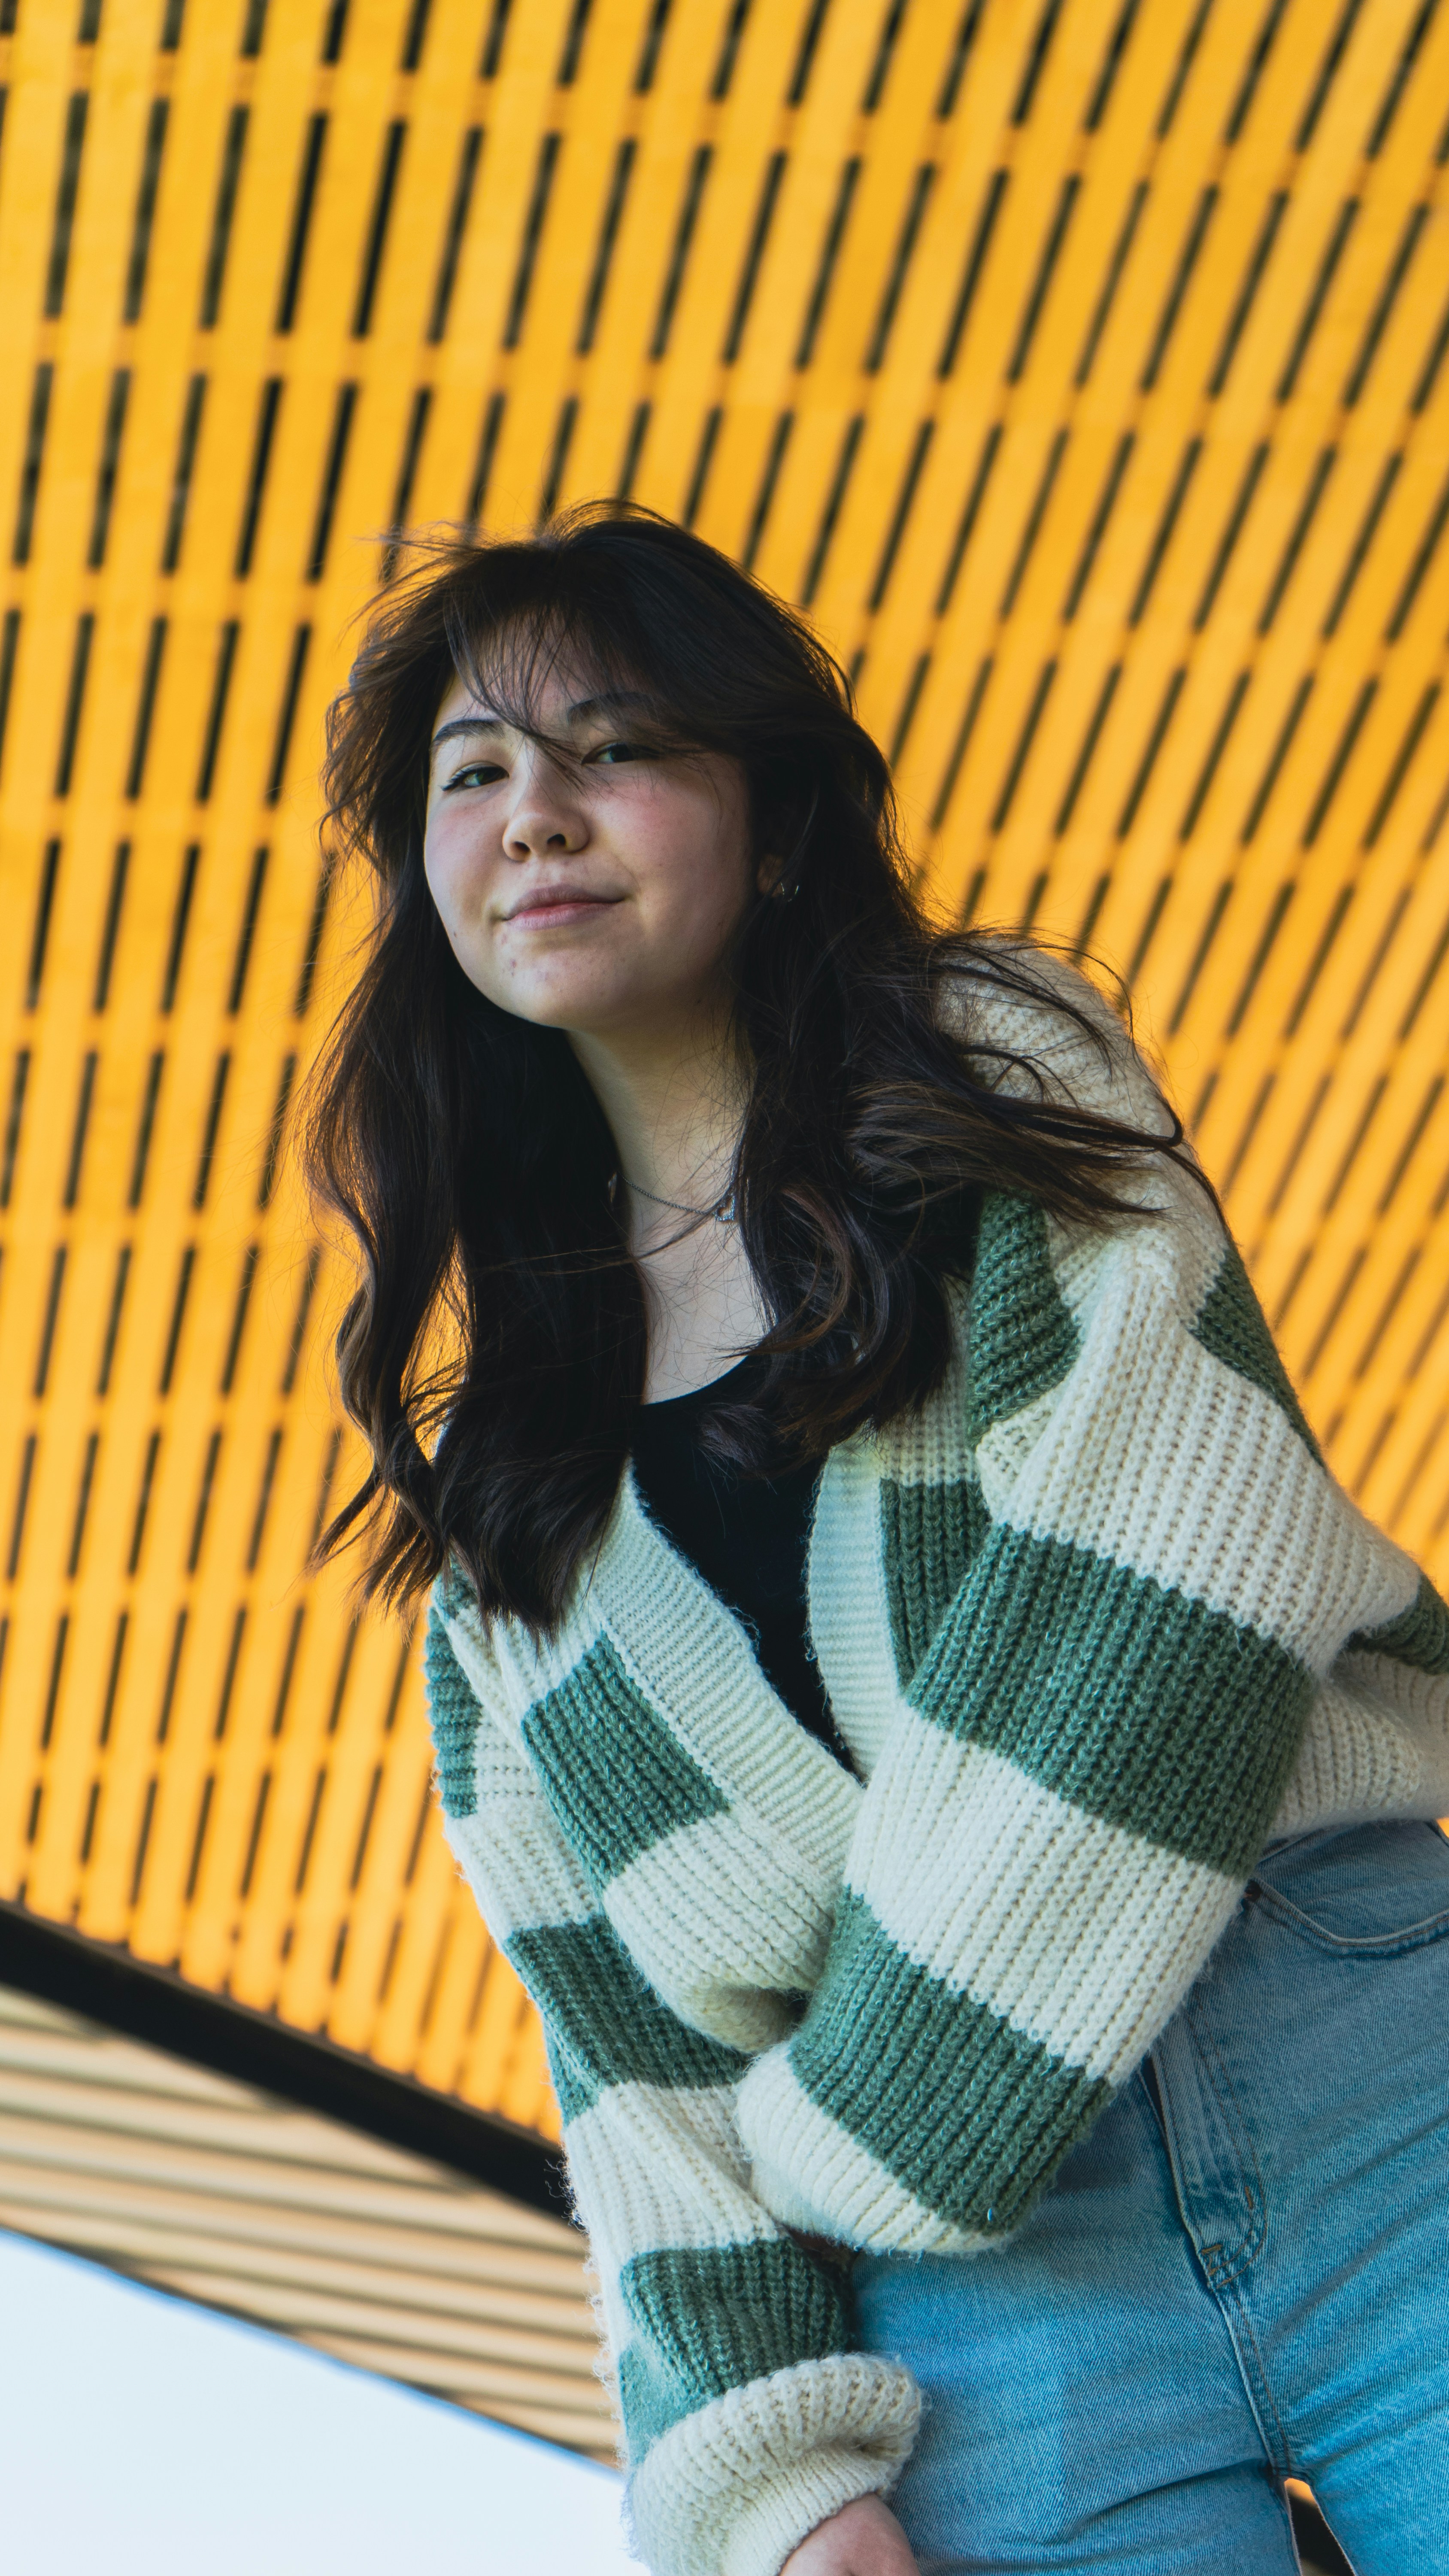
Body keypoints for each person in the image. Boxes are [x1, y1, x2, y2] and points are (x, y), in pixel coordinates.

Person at [306, 505, 1449, 2576]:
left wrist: (843, 2143)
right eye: (473, 777)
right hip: (996, 2339)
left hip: (1370, 2091)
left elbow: (1168, 1592)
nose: (535, 813)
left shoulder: (994, 1078)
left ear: (768, 811)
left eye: (612, 743)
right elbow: (638, 2086)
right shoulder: (506, 1559)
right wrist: (775, 2488)